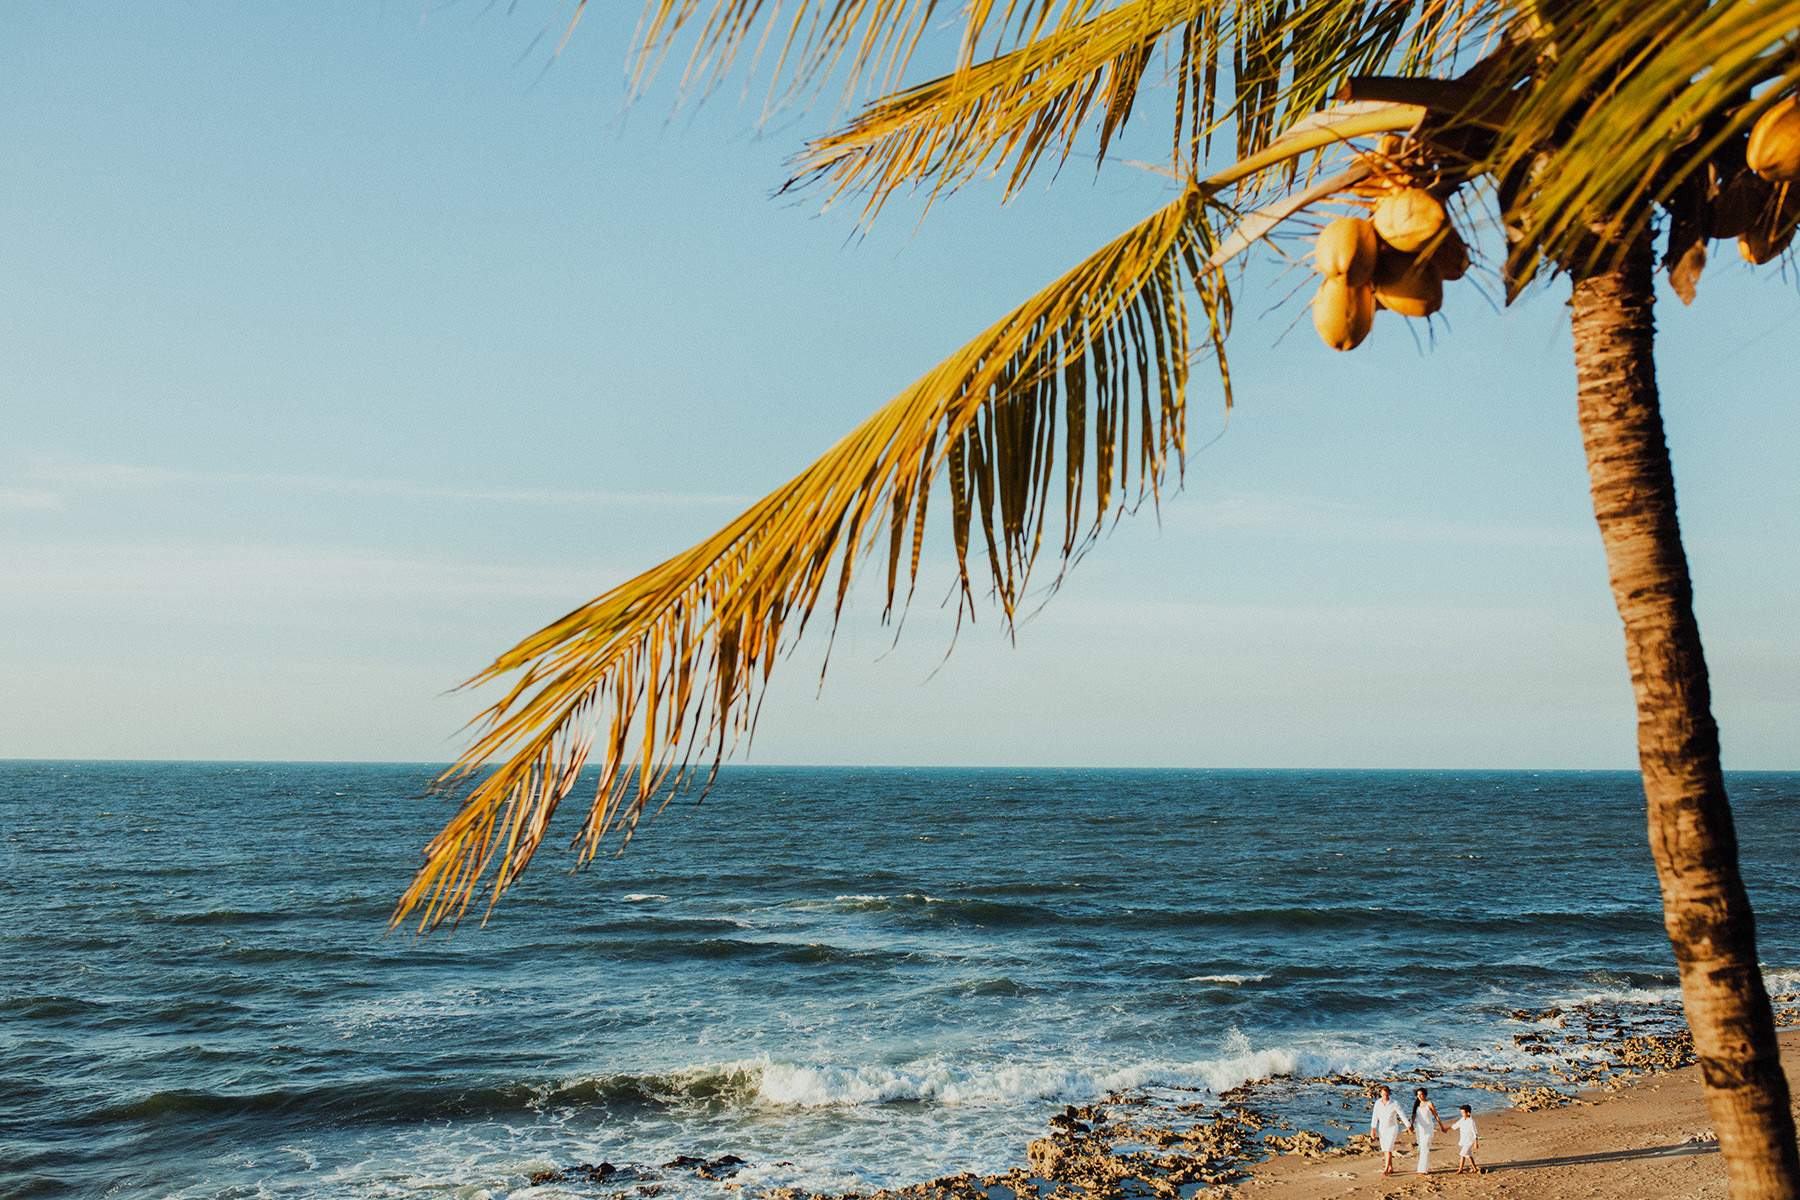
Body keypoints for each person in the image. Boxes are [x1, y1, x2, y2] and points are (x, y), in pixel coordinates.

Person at [1369, 1085, 1407, 1175]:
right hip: (1382, 1128)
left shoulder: (1394, 1103)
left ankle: (1386, 1169)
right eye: (1383, 1094)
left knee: (1389, 1148)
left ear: (1389, 1094)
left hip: (1392, 1128)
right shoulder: (1378, 1103)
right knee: (1385, 1149)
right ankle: (1390, 1167)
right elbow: (1375, 1117)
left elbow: (1402, 1114)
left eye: (1387, 1095)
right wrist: (1373, 1129)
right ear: (1381, 1093)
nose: (1385, 1096)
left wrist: (1408, 1125)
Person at [1410, 1087, 1449, 1174]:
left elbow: (1436, 1116)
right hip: (1420, 1129)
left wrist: (1442, 1127)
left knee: (1425, 1147)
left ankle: (1423, 1169)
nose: (1419, 1097)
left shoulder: (1429, 1104)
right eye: (1418, 1095)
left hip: (1428, 1128)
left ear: (1425, 1095)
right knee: (1421, 1147)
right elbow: (1413, 1116)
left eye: (1421, 1095)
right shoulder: (1416, 1104)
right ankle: (1420, 1168)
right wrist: (1411, 1126)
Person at [1452, 1104, 1481, 1174]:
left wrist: (1476, 1143)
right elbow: (1456, 1126)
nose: (1462, 1114)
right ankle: (1474, 1168)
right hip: (1464, 1140)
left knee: (1462, 1154)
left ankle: (1460, 1169)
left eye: (1463, 1113)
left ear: (1468, 1113)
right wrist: (1447, 1128)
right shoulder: (1462, 1120)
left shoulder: (1471, 1121)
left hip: (1469, 1141)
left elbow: (1475, 1133)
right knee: (1469, 1155)